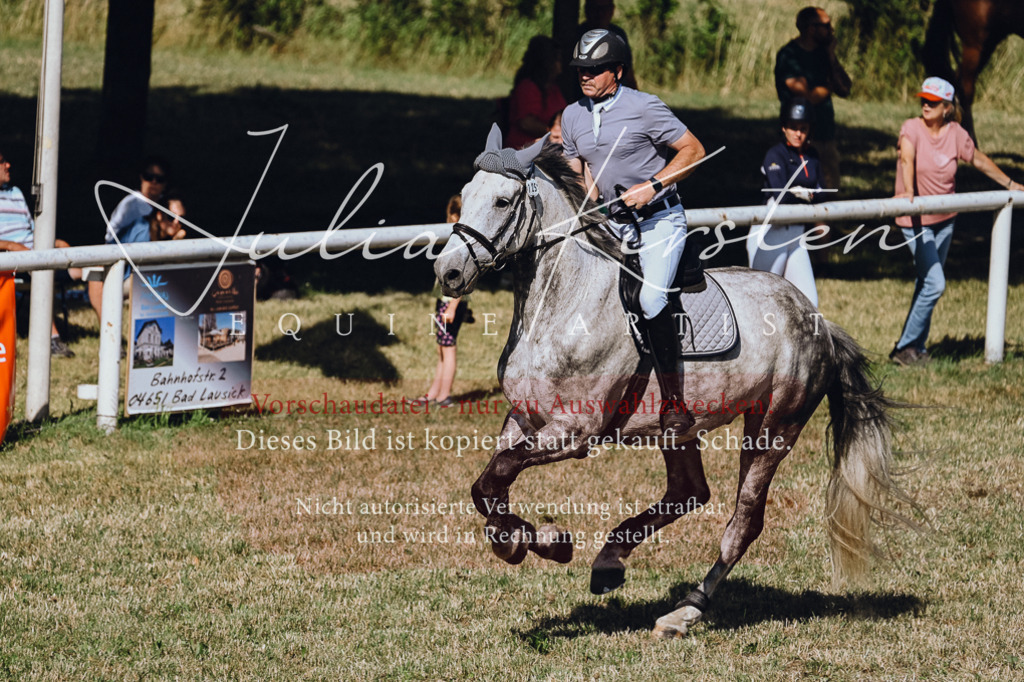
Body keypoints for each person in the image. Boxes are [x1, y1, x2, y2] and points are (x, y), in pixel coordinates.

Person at [561, 29, 706, 437]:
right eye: (580, 70)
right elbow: (579, 177)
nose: (585, 76)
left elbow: (694, 150)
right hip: (610, 223)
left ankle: (675, 404)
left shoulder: (645, 108)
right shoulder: (571, 116)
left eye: (594, 69)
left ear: (618, 71)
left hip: (660, 219)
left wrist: (655, 185)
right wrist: (585, 211)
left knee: (650, 297)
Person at [890, 76, 1022, 366]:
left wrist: (1010, 183)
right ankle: (904, 347)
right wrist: (910, 192)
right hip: (915, 220)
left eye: (933, 102)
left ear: (947, 107)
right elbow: (907, 157)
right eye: (924, 99)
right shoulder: (911, 128)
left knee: (926, 281)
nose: (926, 105)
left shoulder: (956, 133)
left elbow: (977, 159)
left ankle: (915, 349)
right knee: (935, 284)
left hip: (945, 219)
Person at [0, 149, 77, 357]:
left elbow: (34, 231)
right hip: (12, 260)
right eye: (1, 162)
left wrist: (58, 242)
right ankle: (51, 340)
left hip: (34, 251)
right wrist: (10, 246)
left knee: (91, 267)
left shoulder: (15, 192)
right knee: (40, 269)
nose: (8, 165)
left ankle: (111, 334)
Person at [748, 98, 821, 307]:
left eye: (803, 128)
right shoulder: (775, 154)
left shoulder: (812, 156)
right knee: (763, 301)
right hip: (771, 232)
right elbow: (780, 195)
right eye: (793, 128)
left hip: (796, 234)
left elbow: (824, 192)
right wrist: (807, 194)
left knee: (810, 305)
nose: (798, 133)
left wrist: (799, 193)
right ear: (784, 127)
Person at [774, 6, 851, 190]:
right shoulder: (789, 56)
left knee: (830, 189)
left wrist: (831, 56)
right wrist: (830, 86)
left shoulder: (824, 54)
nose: (831, 30)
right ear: (811, 28)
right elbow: (808, 96)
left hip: (826, 133)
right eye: (826, 25)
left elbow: (845, 88)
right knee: (800, 191)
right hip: (800, 137)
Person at [89, 156, 169, 319]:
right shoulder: (130, 205)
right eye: (149, 177)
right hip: (131, 269)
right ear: (141, 178)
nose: (153, 182)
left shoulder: (168, 205)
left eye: (159, 179)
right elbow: (111, 240)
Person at [412, 195, 468, 408]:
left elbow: (463, 278)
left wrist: (453, 306)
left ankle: (445, 396)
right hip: (444, 301)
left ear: (454, 216)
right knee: (441, 349)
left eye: (448, 216)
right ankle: (433, 394)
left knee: (448, 348)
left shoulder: (461, 244)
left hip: (450, 302)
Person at [506, 36, 568, 150]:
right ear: (547, 63)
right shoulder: (527, 87)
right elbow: (526, 123)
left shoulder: (553, 88)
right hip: (524, 149)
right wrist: (552, 132)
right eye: (557, 60)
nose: (560, 66)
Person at [575, 0, 637, 91]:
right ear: (587, 10)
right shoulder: (578, 36)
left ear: (612, 10)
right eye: (595, 9)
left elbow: (629, 74)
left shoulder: (618, 34)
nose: (600, 13)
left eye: (604, 9)